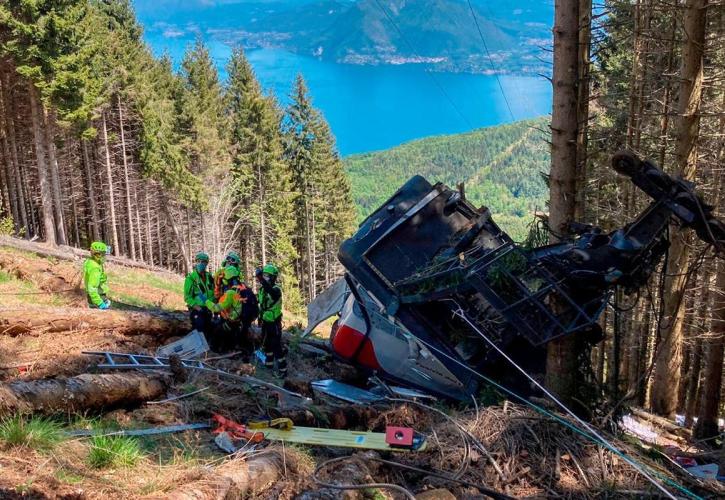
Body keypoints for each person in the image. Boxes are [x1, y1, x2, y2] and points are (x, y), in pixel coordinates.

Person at [206, 266, 255, 353]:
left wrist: (206, 301)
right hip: (240, 322)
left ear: (226, 280)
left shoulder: (230, 293)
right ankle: (232, 349)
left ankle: (217, 352)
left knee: (216, 332)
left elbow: (216, 308)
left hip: (231, 322)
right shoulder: (243, 288)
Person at [255, 263, 286, 377]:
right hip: (265, 321)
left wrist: (261, 279)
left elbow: (272, 294)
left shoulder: (276, 289)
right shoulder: (262, 289)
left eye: (267, 276)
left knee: (276, 346)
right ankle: (269, 365)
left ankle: (283, 370)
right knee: (267, 344)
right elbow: (258, 300)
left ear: (273, 277)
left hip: (274, 323)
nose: (265, 277)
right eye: (264, 275)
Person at [183, 252, 214, 336]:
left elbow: (213, 292)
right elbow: (187, 297)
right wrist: (198, 308)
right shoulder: (191, 278)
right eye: (199, 261)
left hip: (209, 309)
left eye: (203, 262)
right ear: (196, 262)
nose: (201, 263)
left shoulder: (209, 277)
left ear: (206, 263)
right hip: (197, 310)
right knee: (199, 330)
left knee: (210, 331)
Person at [84, 241, 111, 309]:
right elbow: (92, 288)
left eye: (104, 254)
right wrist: (100, 303)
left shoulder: (92, 262)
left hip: (98, 296)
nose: (103, 257)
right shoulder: (94, 268)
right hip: (97, 297)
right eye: (100, 254)